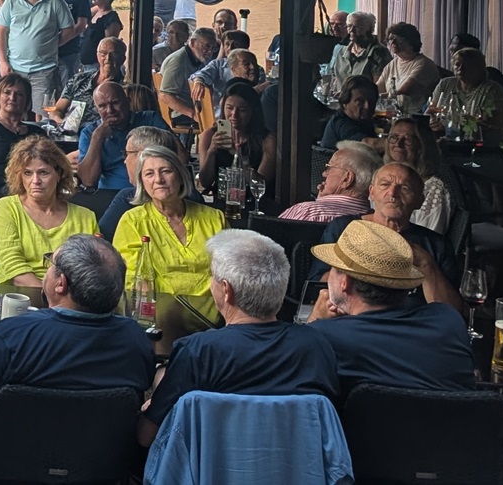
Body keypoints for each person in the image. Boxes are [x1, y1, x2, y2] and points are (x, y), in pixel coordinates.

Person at [0, 235, 154, 485]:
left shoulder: (9, 337)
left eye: (50, 265)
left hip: (5, 469)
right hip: (96, 471)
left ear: (60, 283)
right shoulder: (136, 340)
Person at [138, 230, 337, 446]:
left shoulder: (198, 351)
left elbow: (146, 437)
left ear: (226, 290)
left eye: (212, 276)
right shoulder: (317, 345)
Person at [306, 220, 473, 393]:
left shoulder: (324, 337)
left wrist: (314, 322)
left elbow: (293, 375)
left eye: (333, 268)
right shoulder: (449, 320)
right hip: (458, 419)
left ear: (344, 283)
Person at [315, 162, 462, 310]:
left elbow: (452, 312)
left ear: (419, 200)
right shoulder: (344, 228)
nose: (392, 193)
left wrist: (426, 265)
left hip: (413, 325)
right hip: (353, 321)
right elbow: (316, 286)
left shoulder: (435, 245)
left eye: (404, 188)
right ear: (371, 192)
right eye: (385, 185)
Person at [113, 144, 226, 299]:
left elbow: (230, 273)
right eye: (149, 174)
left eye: (166, 171)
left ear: (180, 176)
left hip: (216, 314)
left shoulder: (215, 218)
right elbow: (135, 280)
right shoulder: (133, 222)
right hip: (159, 314)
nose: (159, 180)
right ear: (143, 184)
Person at [0, 136, 100, 285]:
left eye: (43, 173)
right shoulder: (7, 208)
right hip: (20, 297)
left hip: (73, 298)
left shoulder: (85, 217)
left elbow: (91, 270)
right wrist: (49, 296)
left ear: (59, 174)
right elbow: (11, 267)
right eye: (27, 173)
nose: (35, 181)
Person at [0, 0, 75, 112]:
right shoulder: (11, 2)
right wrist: (3, 61)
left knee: (44, 114)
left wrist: (51, 44)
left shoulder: (56, 2)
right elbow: (2, 32)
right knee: (12, 110)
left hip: (44, 70)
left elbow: (69, 30)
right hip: (14, 68)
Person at [98, 125, 188, 239]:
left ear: (144, 154)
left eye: (127, 153)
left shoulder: (129, 199)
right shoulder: (195, 196)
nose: (125, 161)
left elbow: (99, 242)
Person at [194, 81, 277, 202]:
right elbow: (205, 182)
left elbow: (260, 185)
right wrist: (211, 152)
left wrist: (238, 156)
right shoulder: (209, 135)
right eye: (229, 108)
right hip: (222, 201)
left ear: (253, 111)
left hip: (253, 202)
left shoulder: (267, 140)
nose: (234, 115)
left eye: (242, 110)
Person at [77, 81, 165, 191]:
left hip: (151, 190)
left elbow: (181, 157)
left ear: (128, 102)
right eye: (102, 106)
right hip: (109, 195)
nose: (110, 110)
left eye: (115, 103)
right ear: (96, 109)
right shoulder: (90, 132)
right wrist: (97, 138)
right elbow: (88, 181)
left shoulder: (150, 119)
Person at [278, 142, 380, 222]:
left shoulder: (308, 212)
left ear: (347, 179)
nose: (324, 174)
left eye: (329, 168)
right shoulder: (378, 220)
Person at [385, 116, 454, 233]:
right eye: (394, 137)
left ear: (422, 146)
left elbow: (430, 236)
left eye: (407, 140)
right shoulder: (382, 179)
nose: (398, 144)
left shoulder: (433, 189)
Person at [0, 73, 45, 194]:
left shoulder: (37, 133)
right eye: (7, 92)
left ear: (27, 100)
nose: (12, 98)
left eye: (19, 94)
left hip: (33, 186)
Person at [430, 46, 503, 144]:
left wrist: (449, 126)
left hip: (481, 144)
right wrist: (432, 121)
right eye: (457, 64)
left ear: (479, 67)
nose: (460, 68)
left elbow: (483, 125)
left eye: (467, 65)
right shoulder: (445, 84)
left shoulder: (492, 90)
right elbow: (431, 111)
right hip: (446, 140)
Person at [56, 35, 127, 130]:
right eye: (103, 53)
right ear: (97, 56)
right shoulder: (79, 79)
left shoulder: (124, 88)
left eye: (113, 54)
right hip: (70, 132)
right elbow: (58, 109)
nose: (107, 58)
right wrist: (61, 123)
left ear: (123, 59)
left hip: (102, 135)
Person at [157, 26, 217, 126]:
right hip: (181, 115)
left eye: (213, 48)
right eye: (206, 46)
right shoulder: (178, 62)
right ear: (193, 42)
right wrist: (192, 114)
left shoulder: (196, 58)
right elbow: (165, 95)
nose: (210, 52)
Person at [377, 22, 439, 117]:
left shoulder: (423, 64)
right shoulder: (392, 64)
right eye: (390, 39)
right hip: (393, 113)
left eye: (398, 39)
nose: (392, 43)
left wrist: (375, 97)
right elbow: (378, 88)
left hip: (416, 117)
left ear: (411, 41)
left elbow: (403, 91)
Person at [42, 0, 92, 78]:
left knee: (68, 88)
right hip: (44, 53)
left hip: (69, 51)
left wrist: (56, 43)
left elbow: (81, 25)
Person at [319, 73, 381, 150]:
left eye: (372, 101)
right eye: (360, 102)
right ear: (345, 102)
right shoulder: (342, 123)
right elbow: (366, 144)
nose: (367, 106)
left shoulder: (363, 120)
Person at [328, 12, 392, 83]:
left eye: (357, 27)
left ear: (369, 29)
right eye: (349, 26)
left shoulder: (379, 52)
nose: (351, 30)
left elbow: (378, 87)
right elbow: (336, 79)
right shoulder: (342, 51)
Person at [79, 0, 123, 67]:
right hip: (85, 65)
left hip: (97, 66)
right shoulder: (96, 12)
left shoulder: (111, 20)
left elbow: (109, 48)